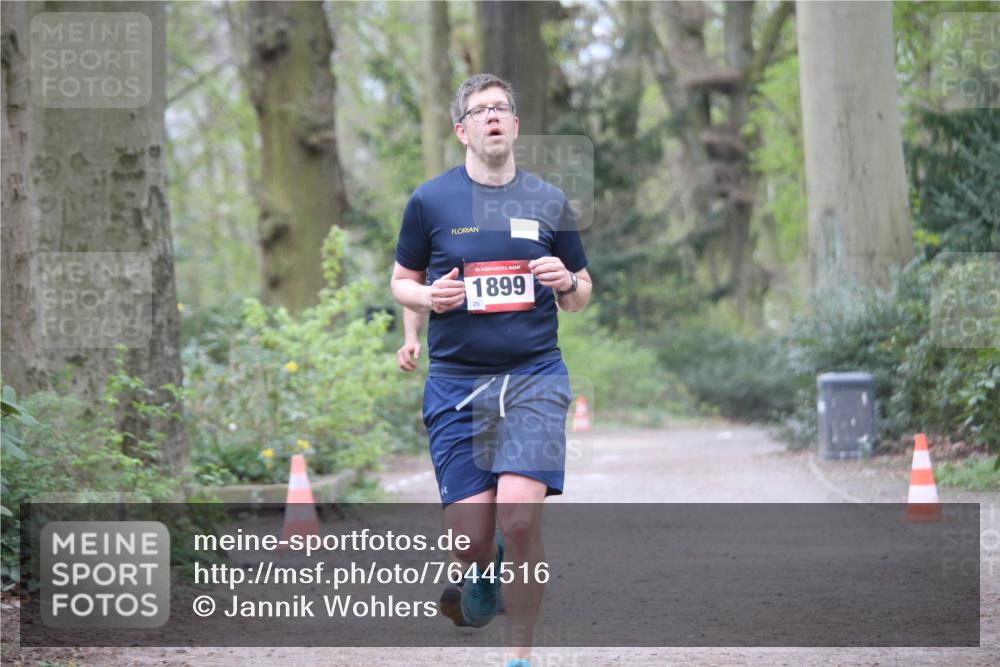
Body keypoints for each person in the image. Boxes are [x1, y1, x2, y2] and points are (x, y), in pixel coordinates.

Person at [390, 73, 592, 667]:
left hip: (534, 376)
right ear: (462, 130)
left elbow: (582, 292)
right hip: (457, 383)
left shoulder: (550, 201)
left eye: (502, 107)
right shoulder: (431, 201)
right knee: (470, 538)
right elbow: (402, 281)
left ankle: (521, 656)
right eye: (480, 111)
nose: (493, 116)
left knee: (522, 521)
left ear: (516, 125)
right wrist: (429, 302)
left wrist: (568, 282)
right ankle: (482, 565)